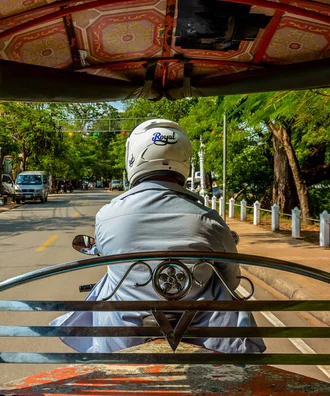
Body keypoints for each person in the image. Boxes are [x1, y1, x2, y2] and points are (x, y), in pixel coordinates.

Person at [51, 119, 265, 354]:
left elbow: (105, 256)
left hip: (122, 340)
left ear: (132, 157)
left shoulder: (108, 215)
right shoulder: (209, 219)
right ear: (185, 159)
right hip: (204, 340)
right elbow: (232, 280)